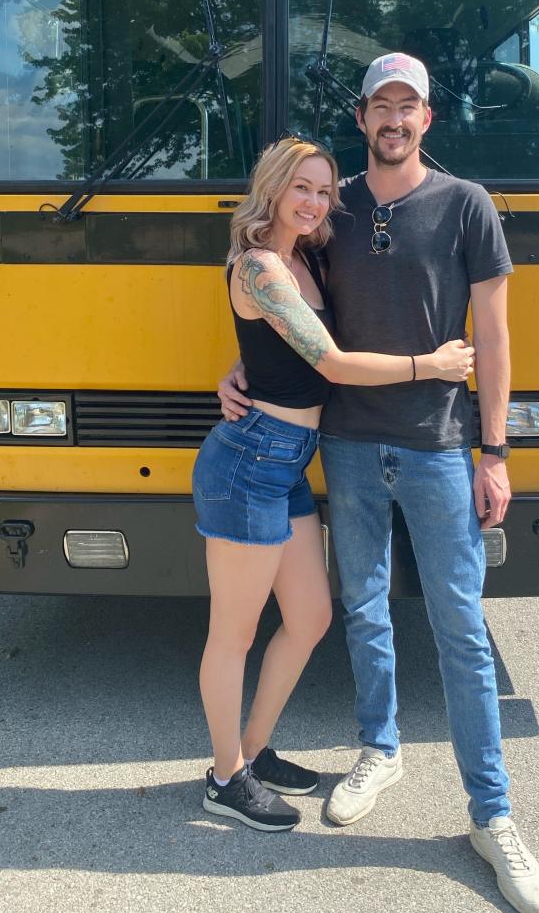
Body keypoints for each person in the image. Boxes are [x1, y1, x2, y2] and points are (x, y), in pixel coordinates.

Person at [219, 53, 539, 913]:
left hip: (441, 447)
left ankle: (493, 816)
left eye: (411, 107)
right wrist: (239, 366)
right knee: (362, 609)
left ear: (427, 121)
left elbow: (494, 331)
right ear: (363, 118)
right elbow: (294, 312)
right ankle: (380, 748)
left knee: (461, 631)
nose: (396, 120)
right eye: (382, 107)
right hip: (350, 445)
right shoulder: (336, 209)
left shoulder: (466, 204)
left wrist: (494, 448)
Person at [195, 135, 475, 834]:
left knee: (312, 617)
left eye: (324, 190)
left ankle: (251, 752)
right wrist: (431, 364)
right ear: (273, 188)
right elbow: (330, 361)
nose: (316, 201)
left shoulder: (305, 258)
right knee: (233, 634)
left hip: (286, 459)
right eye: (303, 188)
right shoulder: (260, 265)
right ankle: (225, 777)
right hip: (250, 460)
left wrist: (239, 370)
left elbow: (272, 345)